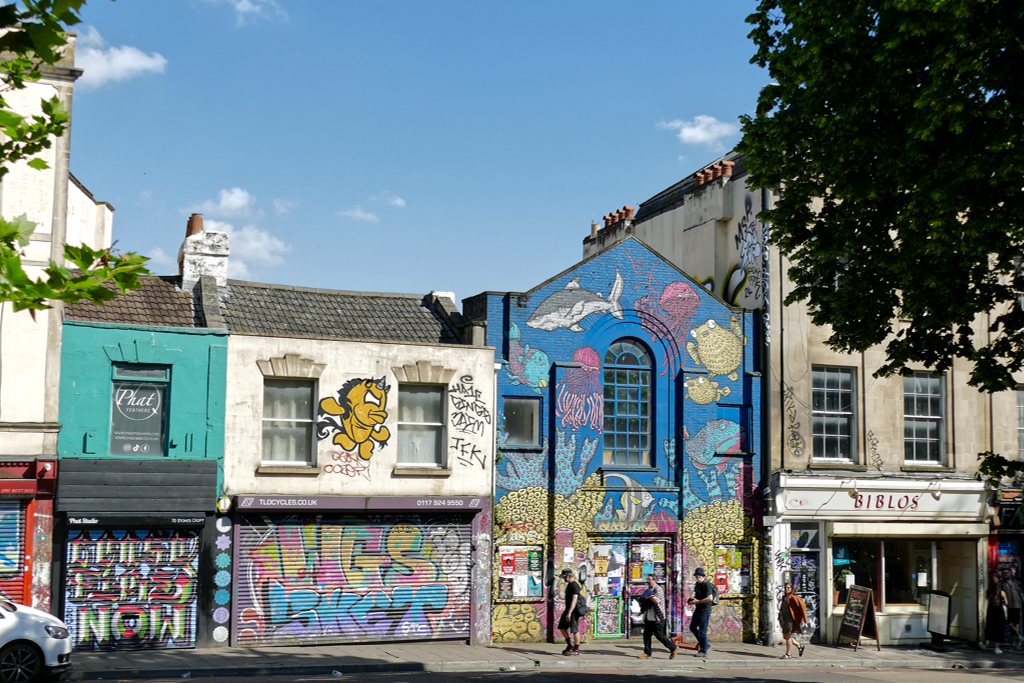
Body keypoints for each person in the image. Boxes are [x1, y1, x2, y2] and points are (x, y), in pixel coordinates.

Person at [637, 574, 678, 659]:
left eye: (650, 579)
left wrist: (650, 595)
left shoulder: (658, 589)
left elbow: (657, 601)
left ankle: (673, 647)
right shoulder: (649, 589)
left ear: (655, 580)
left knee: (659, 636)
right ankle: (647, 653)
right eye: (647, 580)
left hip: (658, 617)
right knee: (646, 635)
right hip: (649, 616)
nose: (648, 581)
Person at [686, 567, 715, 657]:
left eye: (700, 575)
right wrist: (692, 599)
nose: (698, 576)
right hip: (698, 609)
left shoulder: (707, 584)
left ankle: (703, 650)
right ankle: (705, 643)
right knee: (692, 627)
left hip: (705, 610)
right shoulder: (697, 584)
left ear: (703, 576)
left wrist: (697, 601)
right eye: (696, 575)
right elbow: (696, 595)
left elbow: (710, 598)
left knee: (702, 631)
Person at [777, 582, 808, 659]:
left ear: (791, 589)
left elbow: (802, 606)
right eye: (785, 588)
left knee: (787, 636)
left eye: (788, 587)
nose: (786, 589)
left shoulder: (794, 597)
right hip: (785, 619)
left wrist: (803, 617)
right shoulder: (784, 597)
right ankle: (799, 646)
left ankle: (788, 654)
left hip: (791, 620)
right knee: (785, 636)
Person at [558, 568, 581, 656]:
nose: (564, 579)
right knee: (561, 627)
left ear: (570, 576)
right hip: (568, 610)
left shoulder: (574, 585)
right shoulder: (569, 585)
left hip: (573, 611)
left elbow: (574, 600)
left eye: (565, 577)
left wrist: (570, 612)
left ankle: (576, 649)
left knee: (574, 630)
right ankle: (569, 644)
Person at [983, 576, 1008, 655]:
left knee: (990, 627)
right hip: (999, 611)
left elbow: (988, 599)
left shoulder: (988, 591)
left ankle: (984, 643)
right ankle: (997, 647)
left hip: (991, 610)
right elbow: (1006, 602)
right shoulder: (1002, 593)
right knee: (999, 629)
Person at [1001, 567, 1022, 649]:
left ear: (1010, 573)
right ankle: (1020, 637)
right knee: (1009, 624)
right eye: (1003, 573)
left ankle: (1013, 643)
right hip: (1008, 607)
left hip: (1016, 606)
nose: (1005, 575)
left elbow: (1020, 592)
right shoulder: (1002, 584)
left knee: (1014, 625)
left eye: (1006, 573)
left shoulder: (1015, 583)